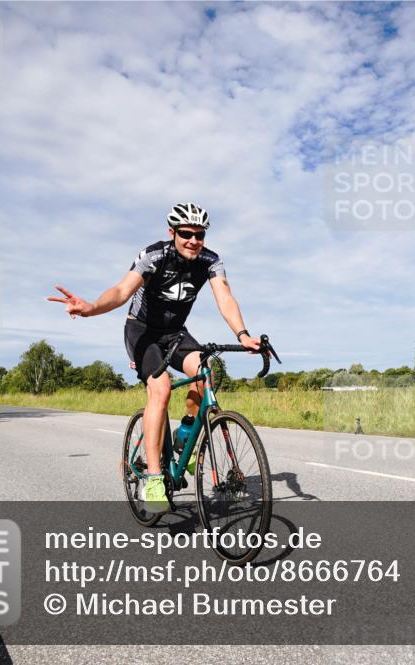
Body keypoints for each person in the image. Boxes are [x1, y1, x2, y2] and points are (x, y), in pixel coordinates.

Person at [47, 202, 260, 511]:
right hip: (142, 331)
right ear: (172, 232)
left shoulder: (211, 261)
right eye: (186, 233)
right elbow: (121, 292)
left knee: (206, 372)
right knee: (159, 389)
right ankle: (154, 477)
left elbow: (225, 297)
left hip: (175, 332)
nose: (193, 240)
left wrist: (242, 334)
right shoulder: (155, 255)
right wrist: (91, 307)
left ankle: (186, 430)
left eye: (199, 234)